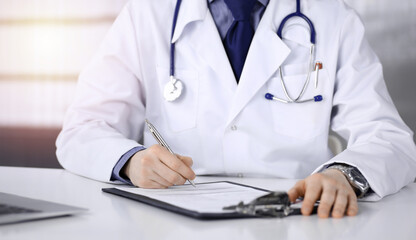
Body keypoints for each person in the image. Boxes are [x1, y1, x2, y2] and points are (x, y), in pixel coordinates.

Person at [56, 0, 416, 219]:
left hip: (297, 217)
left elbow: (390, 138)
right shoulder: (147, 14)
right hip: (172, 220)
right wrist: (131, 161)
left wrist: (344, 175)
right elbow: (82, 129)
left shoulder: (332, 18)